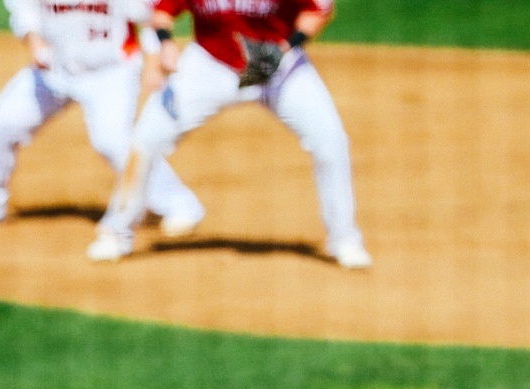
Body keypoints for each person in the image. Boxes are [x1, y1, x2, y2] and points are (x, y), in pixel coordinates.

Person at [86, 0, 370, 268]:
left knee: (331, 141)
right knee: (147, 137)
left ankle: (344, 239)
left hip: (278, 66)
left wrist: (286, 46)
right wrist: (167, 43)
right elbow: (162, 12)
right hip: (209, 65)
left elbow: (317, 10)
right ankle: (116, 233)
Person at [0, 0, 162, 232]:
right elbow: (24, 9)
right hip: (54, 69)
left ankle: (174, 202)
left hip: (110, 73)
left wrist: (153, 64)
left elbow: (152, 17)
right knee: (3, 124)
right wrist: (33, 40)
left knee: (112, 142)